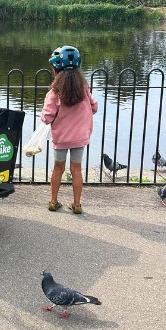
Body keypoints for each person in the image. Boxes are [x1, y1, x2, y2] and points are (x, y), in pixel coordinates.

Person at [41, 46, 98, 214]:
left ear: (56, 69)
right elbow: (94, 107)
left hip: (61, 138)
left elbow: (47, 117)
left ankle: (53, 202)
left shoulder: (55, 92)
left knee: (58, 168)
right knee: (76, 170)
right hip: (80, 137)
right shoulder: (84, 89)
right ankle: (77, 205)